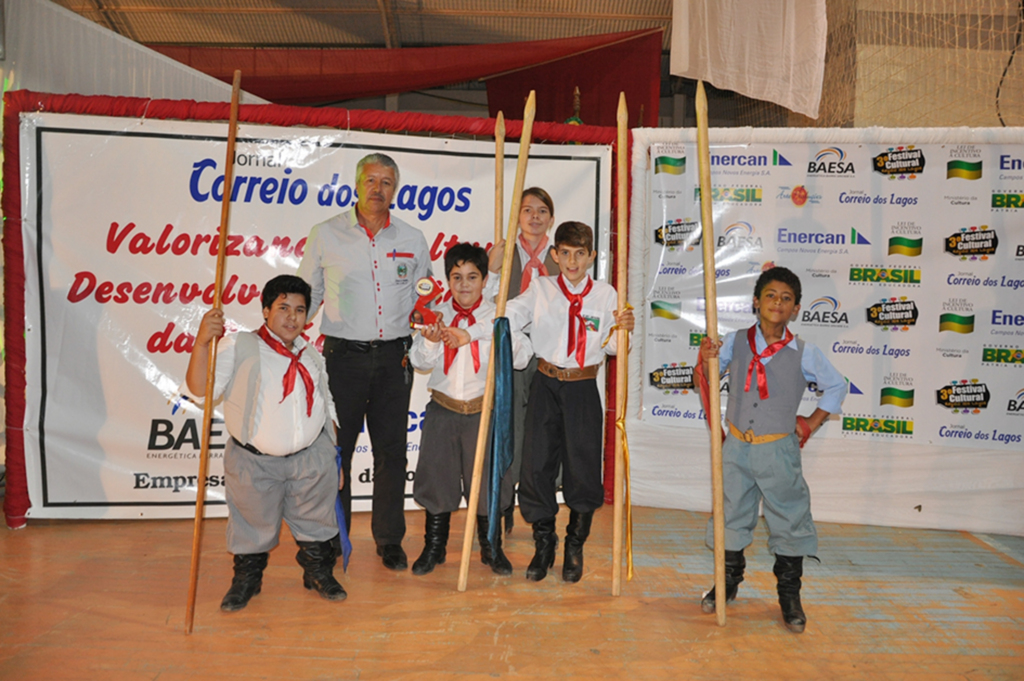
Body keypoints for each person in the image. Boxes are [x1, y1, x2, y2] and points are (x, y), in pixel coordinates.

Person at [297, 153, 433, 571]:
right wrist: (286, 339)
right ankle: (333, 537)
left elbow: (422, 300)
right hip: (342, 360)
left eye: (387, 182)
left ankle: (389, 539)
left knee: (392, 452)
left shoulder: (412, 239)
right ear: (356, 185)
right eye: (371, 180)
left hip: (396, 359)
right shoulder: (325, 234)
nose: (378, 189)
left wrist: (431, 321)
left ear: (396, 188)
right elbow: (308, 295)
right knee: (337, 452)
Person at [697, 266, 847, 633]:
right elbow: (705, 377)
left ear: (795, 308)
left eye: (785, 298)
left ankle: (789, 594)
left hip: (778, 449)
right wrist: (706, 358)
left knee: (789, 518)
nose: (777, 303)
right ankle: (727, 580)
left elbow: (837, 387)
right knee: (730, 514)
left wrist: (810, 423)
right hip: (736, 448)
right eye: (770, 296)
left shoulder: (803, 352)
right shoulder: (734, 341)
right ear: (755, 302)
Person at [184, 275, 346, 612]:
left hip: (311, 458)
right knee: (251, 524)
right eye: (283, 307)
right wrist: (201, 344)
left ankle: (318, 573)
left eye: (300, 310)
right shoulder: (239, 346)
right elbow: (200, 390)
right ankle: (247, 580)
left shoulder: (311, 354)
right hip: (254, 461)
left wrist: (333, 454)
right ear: (265, 310)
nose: (292, 317)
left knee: (316, 521)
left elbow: (326, 402)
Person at [505, 221, 634, 583]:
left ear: (592, 256)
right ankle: (543, 542)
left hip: (581, 388)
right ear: (555, 255)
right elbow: (510, 316)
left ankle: (575, 544)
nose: (572, 261)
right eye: (565, 253)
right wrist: (518, 342)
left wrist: (624, 330)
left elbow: (611, 349)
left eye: (580, 253)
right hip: (546, 383)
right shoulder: (541, 288)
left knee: (583, 466)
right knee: (536, 464)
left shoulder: (606, 295)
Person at [407, 243, 531, 576]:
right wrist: (432, 340)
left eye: (472, 277)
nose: (464, 285)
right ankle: (434, 547)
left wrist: (495, 333)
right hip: (443, 411)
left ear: (484, 279)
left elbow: (521, 358)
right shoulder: (436, 313)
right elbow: (419, 362)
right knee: (437, 482)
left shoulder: (495, 313)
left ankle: (491, 548)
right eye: (456, 277)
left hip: (483, 413)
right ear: (447, 280)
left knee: (490, 482)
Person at [485, 187, 559, 534]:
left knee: (540, 432)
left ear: (551, 218)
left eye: (541, 211)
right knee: (508, 428)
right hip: (511, 353)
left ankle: (536, 505)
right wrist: (492, 270)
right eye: (526, 210)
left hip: (548, 355)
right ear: (517, 216)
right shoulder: (503, 253)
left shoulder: (560, 257)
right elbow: (487, 305)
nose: (534, 217)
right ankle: (502, 501)